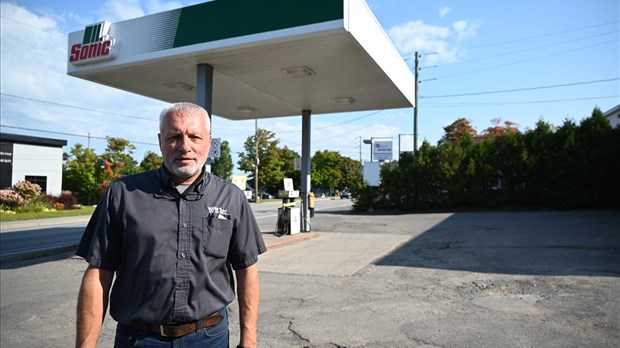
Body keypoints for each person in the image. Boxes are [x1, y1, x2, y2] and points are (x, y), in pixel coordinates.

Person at [75, 102, 266, 348]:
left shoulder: (232, 197)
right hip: (139, 340)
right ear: (160, 141)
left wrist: (249, 340)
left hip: (210, 339)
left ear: (209, 141)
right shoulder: (122, 195)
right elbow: (99, 272)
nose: (185, 146)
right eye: (174, 136)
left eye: (195, 137)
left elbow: (247, 269)